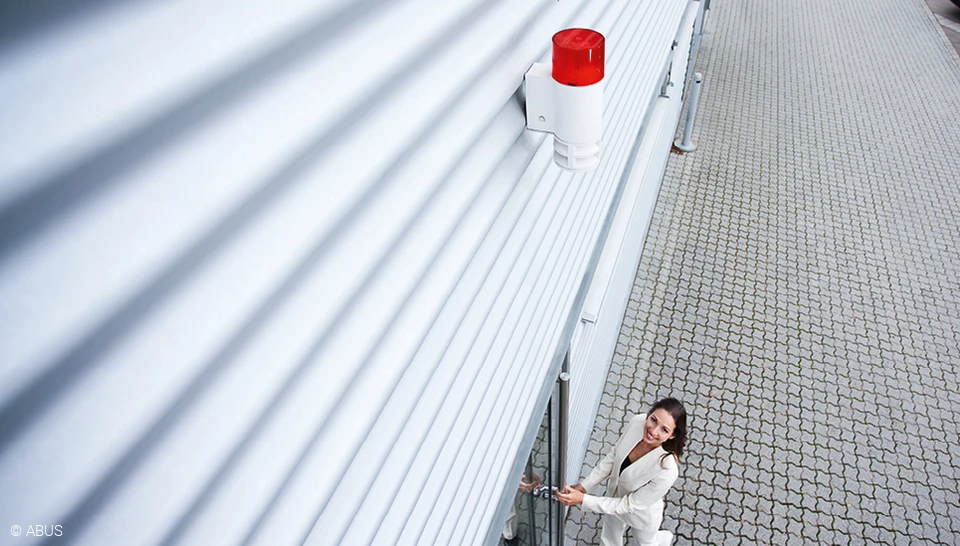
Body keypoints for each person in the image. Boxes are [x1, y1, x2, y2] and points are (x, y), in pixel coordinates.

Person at [555, 398, 687, 546]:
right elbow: (614, 455)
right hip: (613, 499)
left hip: (639, 513)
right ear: (649, 413)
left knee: (648, 543)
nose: (653, 431)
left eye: (664, 430)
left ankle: (665, 539)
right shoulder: (638, 422)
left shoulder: (667, 470)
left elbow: (628, 505)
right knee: (609, 538)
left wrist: (583, 499)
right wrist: (585, 486)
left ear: (672, 435)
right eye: (653, 420)